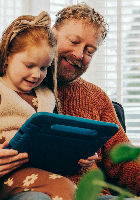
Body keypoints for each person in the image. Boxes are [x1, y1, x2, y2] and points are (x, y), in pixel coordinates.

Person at [52, 3, 140, 199]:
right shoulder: (16, 84)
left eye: (90, 51)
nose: (79, 55)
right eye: (73, 41)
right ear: (52, 33)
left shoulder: (95, 97)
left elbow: (124, 161)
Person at [0, 11, 76, 200]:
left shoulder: (47, 96)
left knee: (69, 189)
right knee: (67, 190)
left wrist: (78, 155)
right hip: (6, 176)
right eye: (29, 65)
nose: (36, 75)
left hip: (42, 171)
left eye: (44, 68)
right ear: (8, 56)